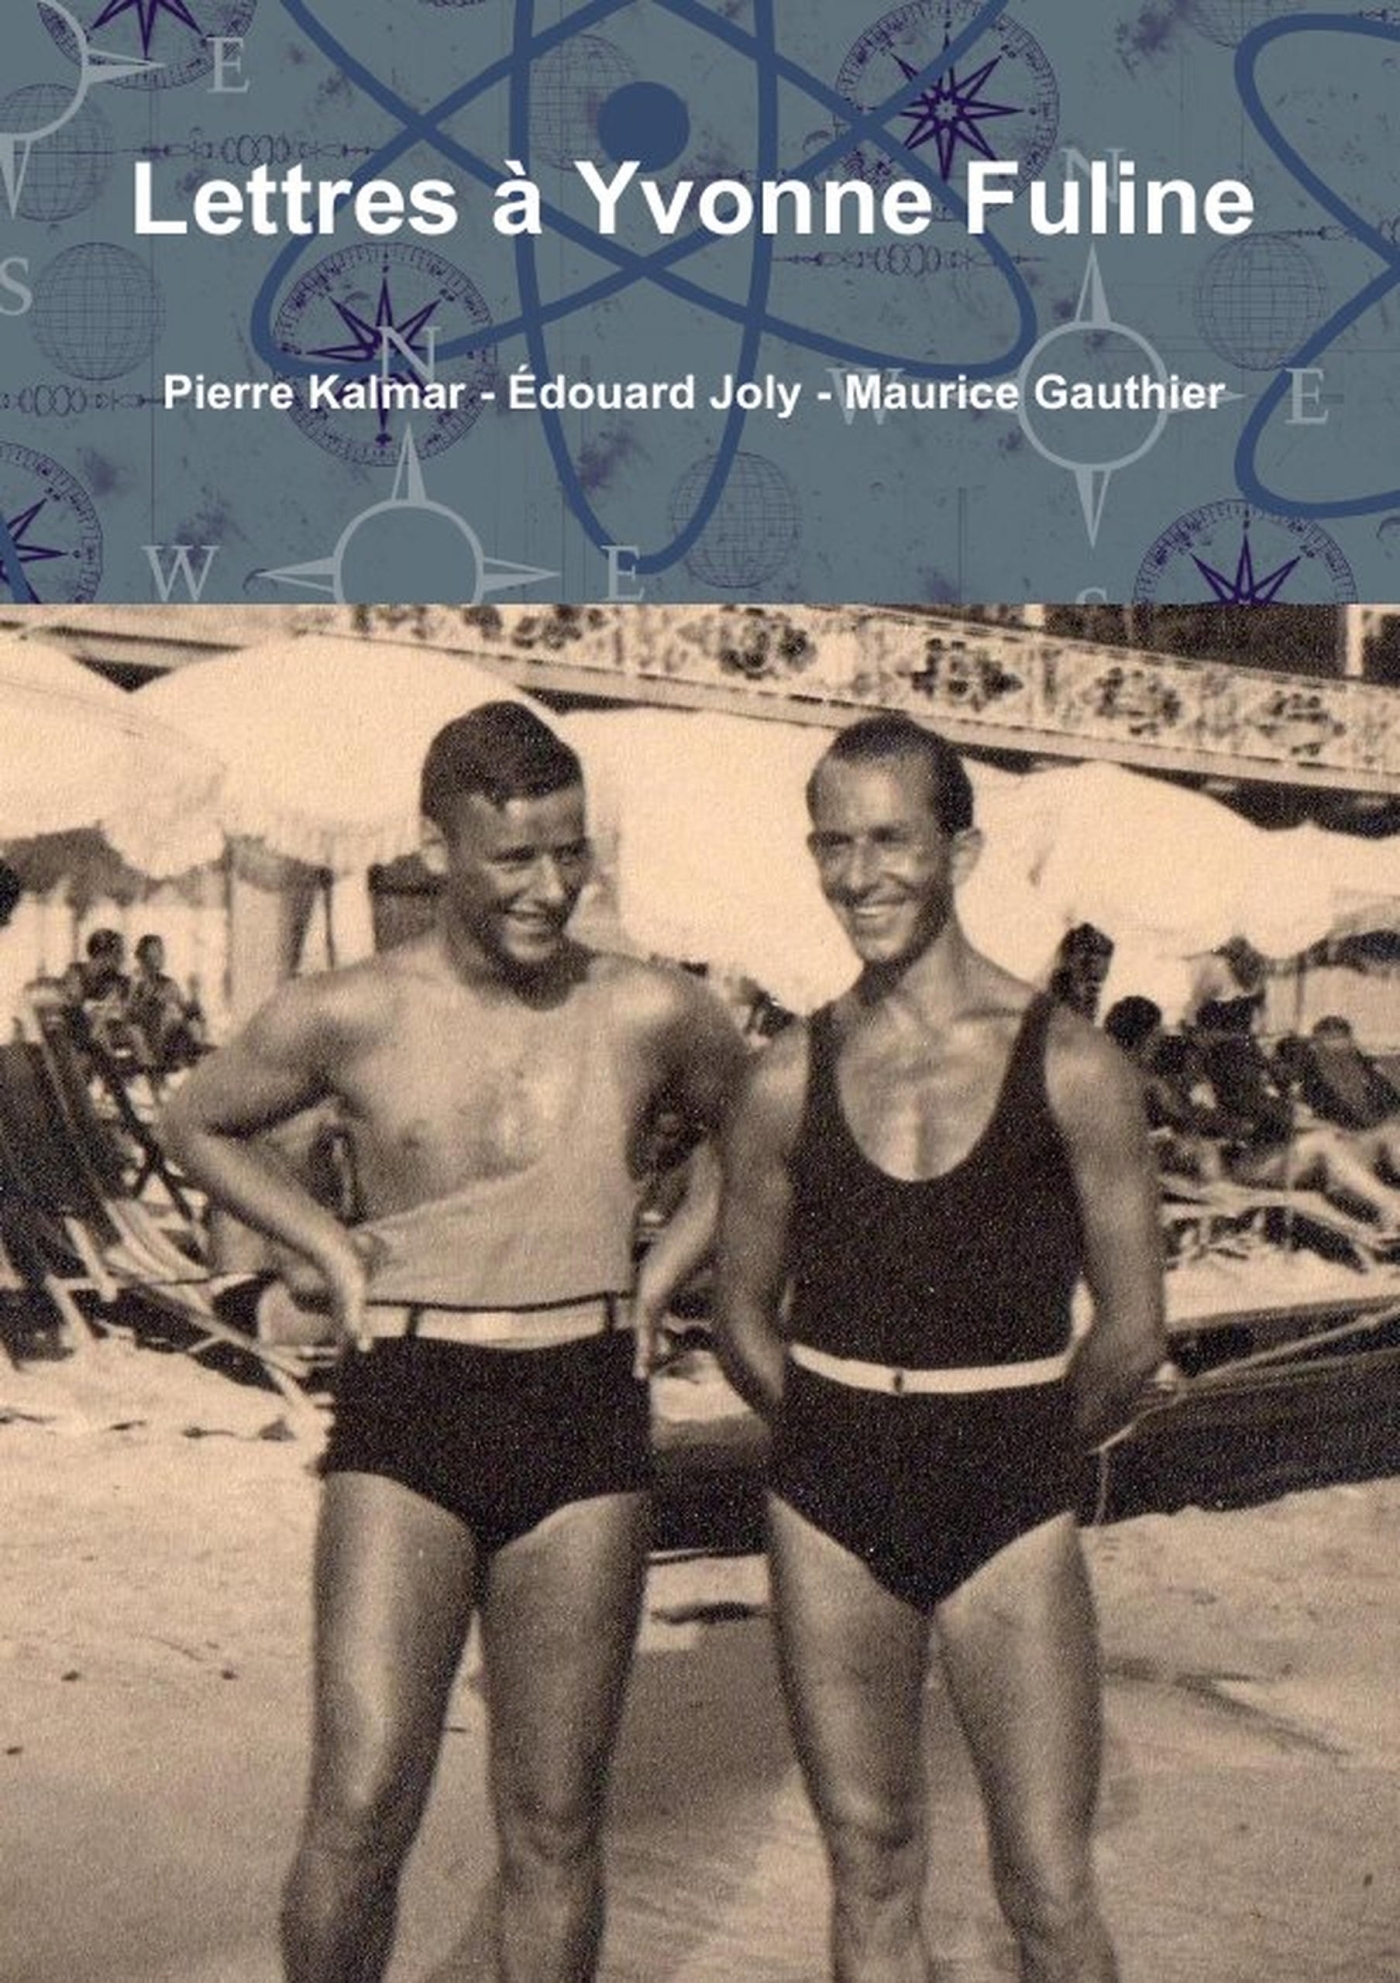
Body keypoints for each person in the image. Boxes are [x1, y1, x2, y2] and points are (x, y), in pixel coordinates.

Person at [160, 703, 745, 1983]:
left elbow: (760, 1139)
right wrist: (325, 1252)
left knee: (553, 1824)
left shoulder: (650, 1009)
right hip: (409, 1407)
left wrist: (661, 1278)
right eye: (514, 858)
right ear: (436, 851)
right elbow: (195, 1121)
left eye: (569, 854)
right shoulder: (351, 1012)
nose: (549, 888)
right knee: (362, 1803)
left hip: (585, 1406)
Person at [714, 714, 1168, 1983]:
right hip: (829, 1502)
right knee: (868, 1869)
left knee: (1048, 1887)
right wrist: (834, 1430)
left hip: (1006, 1499)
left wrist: (1012, 1446)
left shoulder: (1072, 1067)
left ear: (958, 853)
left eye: (890, 841)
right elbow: (738, 1314)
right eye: (833, 844)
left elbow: (1131, 1332)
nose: (859, 876)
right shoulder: (784, 1074)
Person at [126, 932, 206, 1073]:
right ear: (143, 957)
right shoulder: (134, 981)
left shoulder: (168, 984)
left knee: (191, 1023)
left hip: (166, 1044)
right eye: (156, 951)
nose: (162, 956)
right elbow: (130, 1015)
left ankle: (196, 1056)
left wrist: (194, 993)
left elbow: (188, 1013)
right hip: (145, 1046)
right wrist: (148, 999)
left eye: (161, 951)